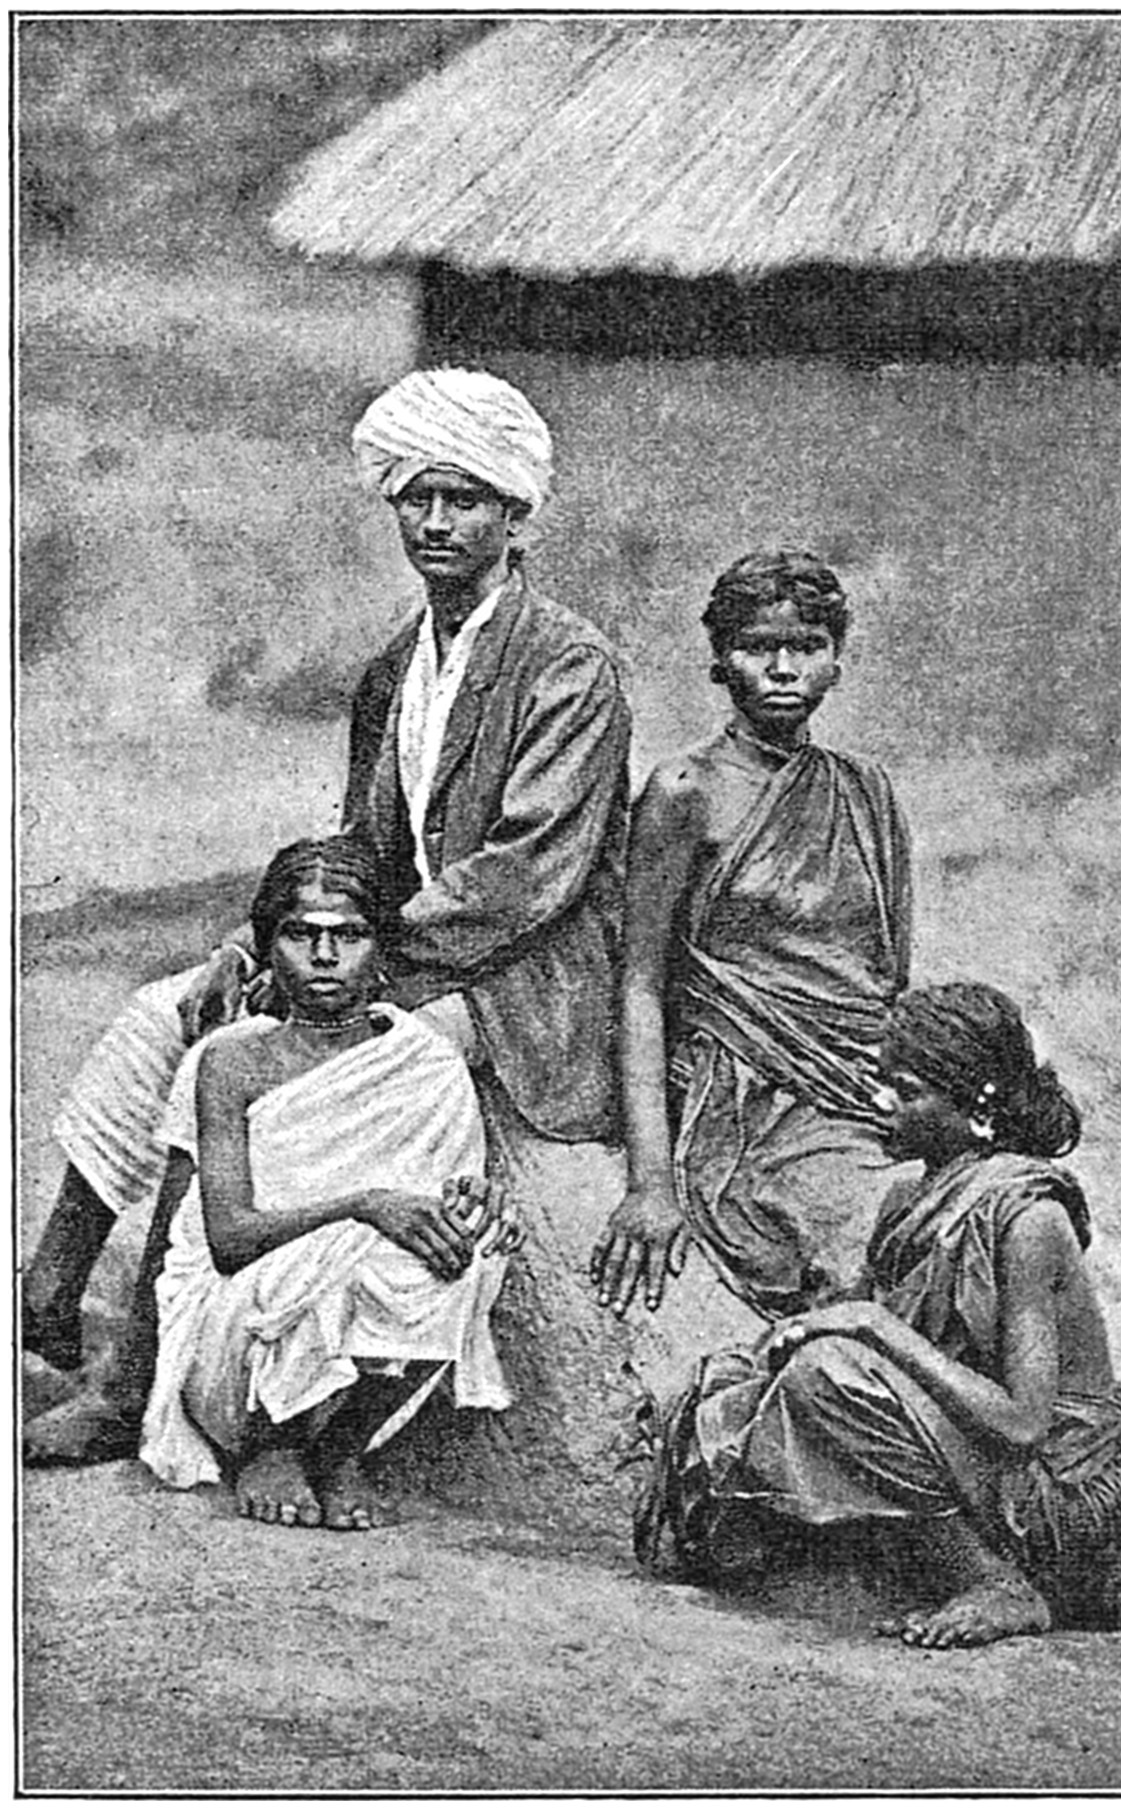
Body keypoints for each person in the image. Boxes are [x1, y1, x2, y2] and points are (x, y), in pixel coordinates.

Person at [24, 368, 631, 1467]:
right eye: (416, 499)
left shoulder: (569, 665)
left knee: (253, 1065)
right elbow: (362, 848)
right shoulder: (400, 665)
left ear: (515, 513)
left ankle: (134, 1379)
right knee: (168, 1012)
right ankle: (49, 1295)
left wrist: (358, 959)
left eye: (464, 500)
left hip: (525, 979)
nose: (436, 523)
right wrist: (252, 942)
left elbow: (527, 873)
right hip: (406, 949)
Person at [633, 982, 1121, 1646]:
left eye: (905, 1090)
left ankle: (999, 1582)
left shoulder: (1029, 1218)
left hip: (1058, 1486)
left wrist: (872, 1325)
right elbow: (895, 1375)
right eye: (882, 1082)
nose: (880, 1101)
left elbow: (1022, 1423)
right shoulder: (907, 1201)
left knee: (822, 1376)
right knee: (734, 1387)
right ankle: (1087, 1578)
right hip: (977, 1462)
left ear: (975, 1105)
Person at [139, 834, 523, 1530]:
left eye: (348, 935)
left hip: (356, 1339)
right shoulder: (230, 1061)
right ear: (268, 945)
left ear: (381, 949)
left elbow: (442, 1202)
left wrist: (476, 1207)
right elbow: (229, 1240)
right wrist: (363, 1205)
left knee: (466, 1253)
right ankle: (272, 1444)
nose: (324, 955)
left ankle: (341, 1448)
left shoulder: (424, 1061)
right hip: (236, 1335)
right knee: (349, 1245)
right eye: (300, 934)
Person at [592, 550, 911, 1325]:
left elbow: (886, 976)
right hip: (745, 1097)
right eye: (757, 646)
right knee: (867, 1252)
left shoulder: (864, 790)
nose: (782, 668)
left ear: (835, 662)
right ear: (719, 660)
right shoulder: (684, 790)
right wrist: (650, 1183)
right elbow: (640, 984)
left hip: (862, 1080)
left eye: (805, 646)